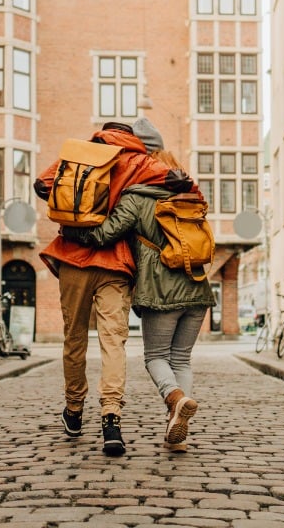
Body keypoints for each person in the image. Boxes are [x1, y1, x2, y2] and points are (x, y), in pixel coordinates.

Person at [34, 119, 195, 456]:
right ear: (131, 137)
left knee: (74, 338)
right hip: (115, 263)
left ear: (102, 132)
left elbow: (41, 185)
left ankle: (74, 411)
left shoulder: (78, 153)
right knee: (113, 342)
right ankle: (111, 419)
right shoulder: (137, 160)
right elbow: (182, 183)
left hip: (73, 259)